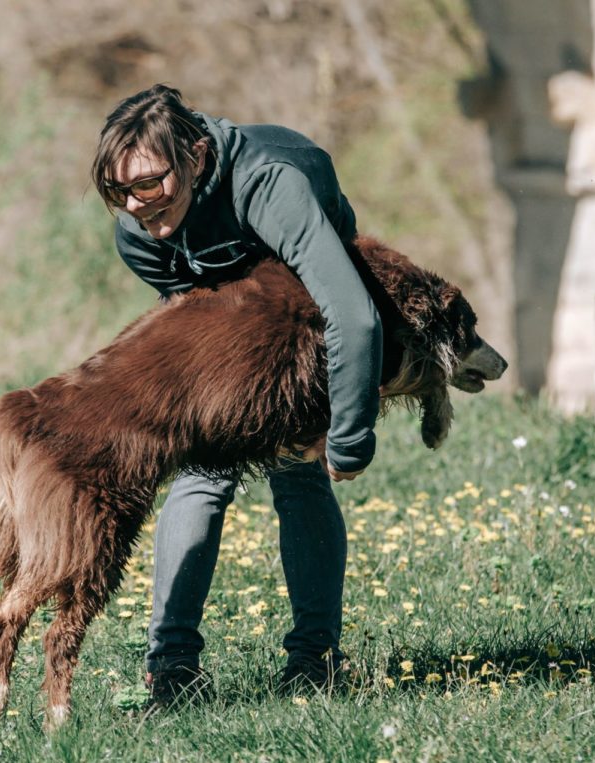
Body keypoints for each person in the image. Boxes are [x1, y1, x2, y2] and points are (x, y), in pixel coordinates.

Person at [90, 84, 382, 707]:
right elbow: (192, 327)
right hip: (234, 314)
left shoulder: (269, 185)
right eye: (118, 192)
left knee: (298, 472)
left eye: (149, 184)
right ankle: (171, 669)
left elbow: (353, 317)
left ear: (196, 156)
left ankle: (315, 663)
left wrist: (350, 437)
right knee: (204, 470)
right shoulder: (139, 235)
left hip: (307, 300)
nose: (135, 206)